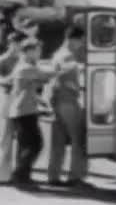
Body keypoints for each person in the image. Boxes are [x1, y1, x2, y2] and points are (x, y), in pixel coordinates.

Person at [7, 38, 55, 186]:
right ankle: (20, 175)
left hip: (26, 110)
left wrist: (40, 101)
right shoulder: (25, 67)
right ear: (28, 51)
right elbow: (47, 74)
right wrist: (63, 68)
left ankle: (22, 177)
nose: (40, 53)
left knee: (27, 145)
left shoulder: (28, 66)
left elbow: (31, 86)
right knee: (35, 144)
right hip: (23, 111)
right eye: (37, 50)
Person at [47, 26, 89, 187]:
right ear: (74, 39)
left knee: (57, 142)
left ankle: (53, 176)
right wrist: (77, 87)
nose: (81, 44)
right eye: (81, 40)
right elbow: (66, 77)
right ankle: (75, 177)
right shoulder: (68, 56)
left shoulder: (57, 54)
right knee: (78, 140)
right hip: (69, 101)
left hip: (57, 102)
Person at [0, 31, 28, 184]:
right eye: (16, 43)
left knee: (23, 137)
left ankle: (19, 174)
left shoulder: (25, 59)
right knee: (6, 137)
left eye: (20, 43)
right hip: (8, 98)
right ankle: (1, 175)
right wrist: (4, 80)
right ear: (10, 43)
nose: (18, 46)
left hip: (23, 99)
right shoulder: (3, 60)